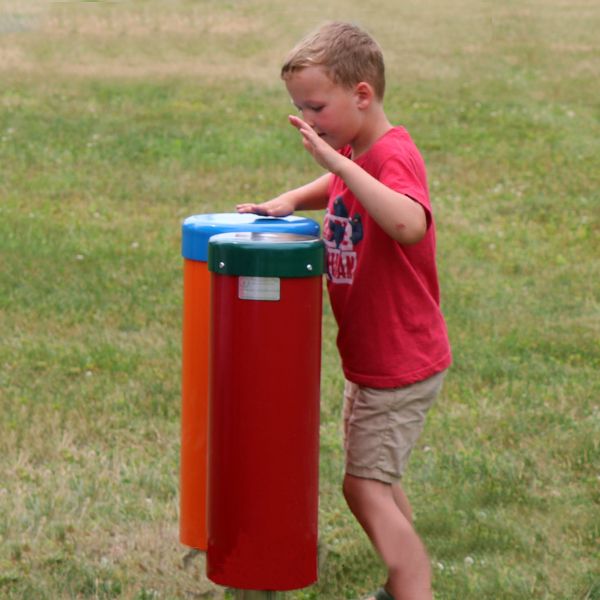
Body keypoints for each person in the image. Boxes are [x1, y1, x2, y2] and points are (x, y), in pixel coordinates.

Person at [237, 21, 452, 600]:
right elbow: (345, 186)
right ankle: (404, 580)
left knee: (362, 487)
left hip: (400, 359)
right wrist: (295, 198)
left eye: (316, 107)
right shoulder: (361, 153)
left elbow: (408, 222)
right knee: (378, 480)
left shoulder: (391, 153)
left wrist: (340, 166)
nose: (309, 121)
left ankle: (413, 587)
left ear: (362, 94)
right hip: (374, 358)